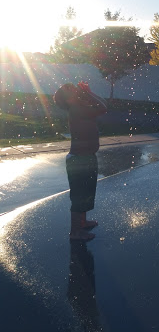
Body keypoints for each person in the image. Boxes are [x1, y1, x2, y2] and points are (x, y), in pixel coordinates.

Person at [54, 81, 107, 241]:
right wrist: (89, 92)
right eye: (71, 89)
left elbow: (102, 104)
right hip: (79, 160)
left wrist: (88, 93)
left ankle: (82, 223)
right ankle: (75, 232)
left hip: (86, 158)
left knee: (87, 193)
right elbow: (103, 107)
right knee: (79, 197)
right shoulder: (77, 109)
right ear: (68, 99)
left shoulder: (79, 107)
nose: (76, 89)